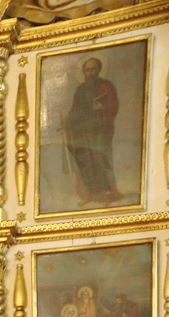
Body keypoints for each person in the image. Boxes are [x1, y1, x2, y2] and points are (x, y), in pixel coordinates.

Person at [63, 56, 120, 205]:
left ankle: (109, 193)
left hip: (102, 131)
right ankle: (90, 193)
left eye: (93, 69)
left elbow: (114, 105)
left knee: (102, 159)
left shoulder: (106, 86)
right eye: (87, 70)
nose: (90, 72)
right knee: (86, 161)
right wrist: (66, 121)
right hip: (85, 132)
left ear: (99, 69)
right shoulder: (80, 90)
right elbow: (75, 110)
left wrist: (103, 107)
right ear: (84, 72)